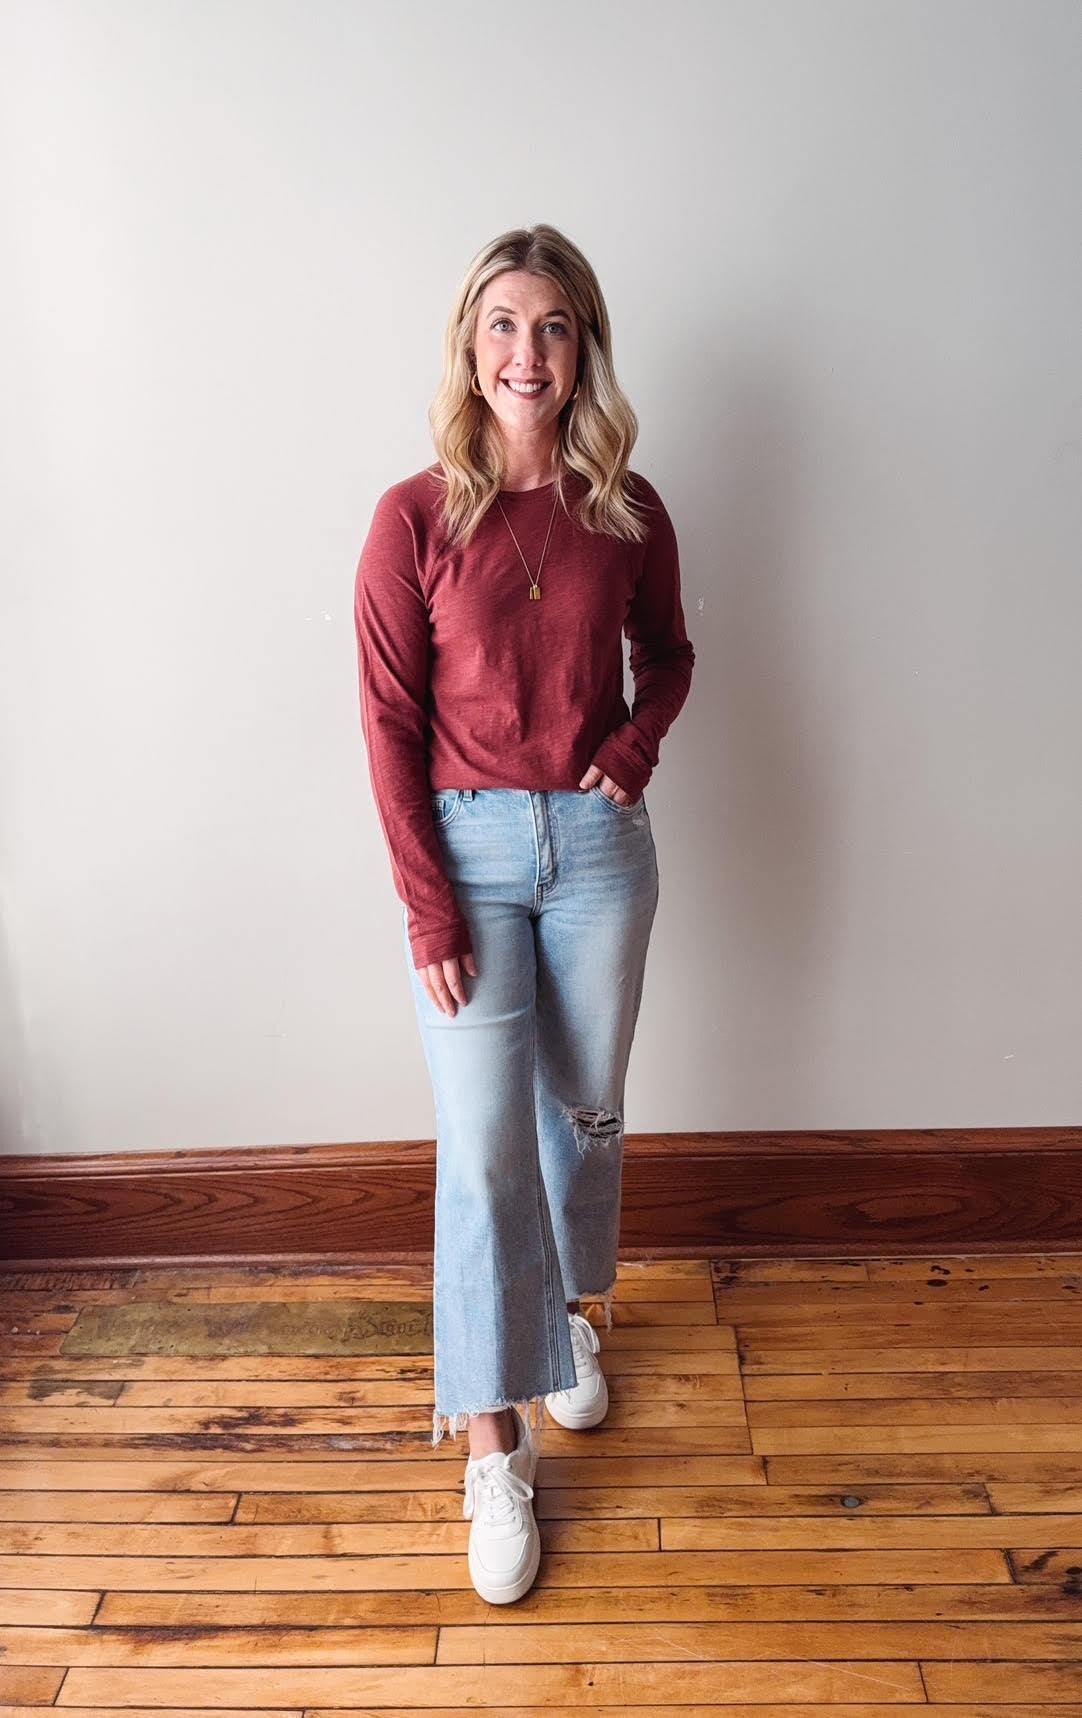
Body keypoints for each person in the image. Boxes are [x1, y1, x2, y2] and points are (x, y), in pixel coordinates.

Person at [353, 224, 693, 1604]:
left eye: (553, 326)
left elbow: (671, 656)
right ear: (469, 346)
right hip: (469, 853)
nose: (527, 352)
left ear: (583, 347)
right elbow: (386, 722)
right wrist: (426, 905)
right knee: (484, 1149)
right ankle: (493, 1438)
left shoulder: (627, 508)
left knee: (585, 1113)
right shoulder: (412, 517)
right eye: (503, 324)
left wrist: (634, 746)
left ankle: (563, 1314)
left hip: (600, 850)